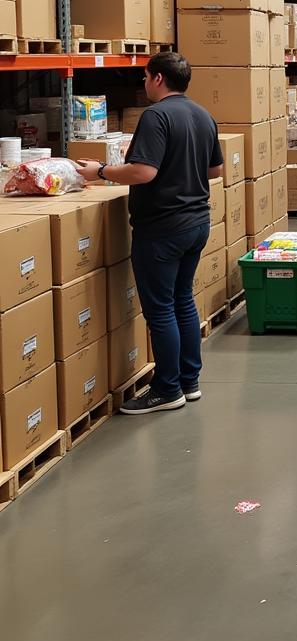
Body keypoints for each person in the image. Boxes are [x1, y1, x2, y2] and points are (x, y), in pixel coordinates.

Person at [76, 53, 223, 415]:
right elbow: (216, 169)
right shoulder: (202, 114)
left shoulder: (156, 116)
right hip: (196, 222)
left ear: (158, 78)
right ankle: (190, 382)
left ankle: (166, 389)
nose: (143, 83)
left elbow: (143, 173)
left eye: (144, 77)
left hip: (162, 228)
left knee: (160, 311)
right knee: (182, 300)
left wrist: (102, 171)